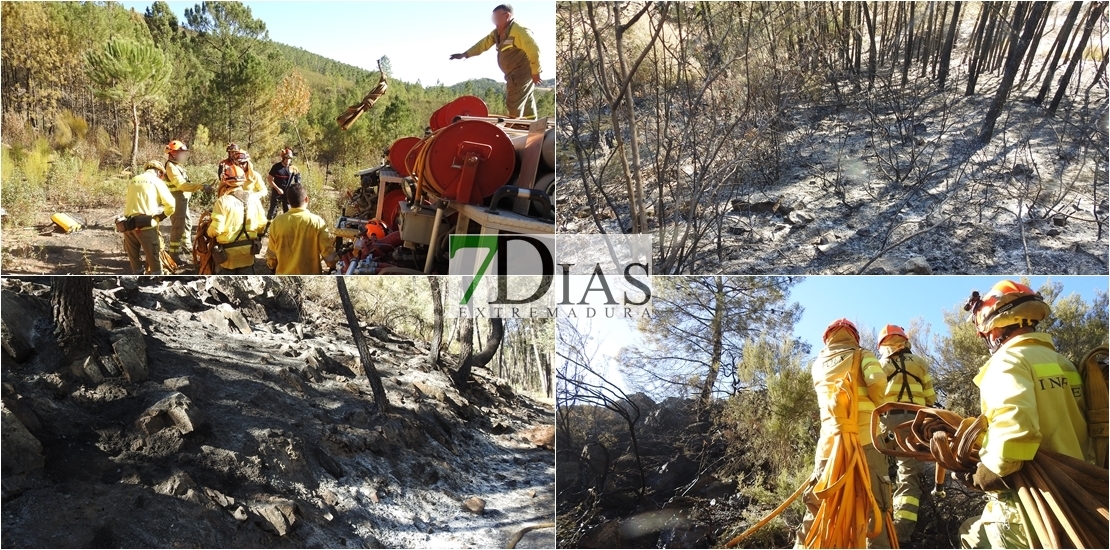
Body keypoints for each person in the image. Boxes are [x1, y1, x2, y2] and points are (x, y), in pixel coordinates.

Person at [958, 281, 1089, 549]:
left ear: (993, 327)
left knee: (971, 537)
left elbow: (1016, 432)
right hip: (1077, 500)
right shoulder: (1066, 365)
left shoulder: (1007, 362)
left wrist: (986, 474)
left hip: (1027, 508)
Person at [798, 318, 892, 549]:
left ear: (827, 338)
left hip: (829, 446)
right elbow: (877, 380)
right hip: (865, 441)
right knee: (874, 504)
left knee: (819, 506)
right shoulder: (862, 354)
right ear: (854, 337)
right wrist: (881, 409)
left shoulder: (818, 364)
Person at [875, 324, 936, 544]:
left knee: (876, 468)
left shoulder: (882, 364)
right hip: (914, 423)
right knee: (909, 477)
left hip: (887, 422)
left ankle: (875, 526)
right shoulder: (920, 363)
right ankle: (900, 534)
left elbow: (874, 394)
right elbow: (930, 398)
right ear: (905, 342)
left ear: (884, 345)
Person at [450, 4, 542, 119]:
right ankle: (532, 125)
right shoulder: (498, 32)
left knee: (514, 102)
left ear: (507, 15)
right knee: (526, 100)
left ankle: (516, 128)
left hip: (520, 74)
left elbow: (534, 50)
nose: (495, 22)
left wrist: (536, 72)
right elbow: (483, 44)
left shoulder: (519, 30)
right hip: (512, 74)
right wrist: (466, 54)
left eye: (497, 18)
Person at [206, 164, 267, 274]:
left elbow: (216, 230)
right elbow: (262, 224)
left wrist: (208, 232)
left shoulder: (222, 201)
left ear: (225, 180)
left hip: (227, 255)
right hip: (248, 253)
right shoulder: (254, 199)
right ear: (243, 180)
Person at [266, 182, 334, 275]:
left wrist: (272, 266)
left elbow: (271, 254)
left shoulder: (276, 222)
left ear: (288, 201)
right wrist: (333, 265)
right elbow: (327, 252)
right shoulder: (317, 222)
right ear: (306, 199)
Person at [122, 161, 176, 275]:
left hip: (128, 225)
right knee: (153, 257)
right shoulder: (157, 181)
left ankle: (137, 279)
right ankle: (157, 281)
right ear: (159, 172)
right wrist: (161, 216)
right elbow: (171, 205)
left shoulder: (134, 179)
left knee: (133, 258)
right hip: (146, 226)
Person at [163, 140, 203, 263]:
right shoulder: (171, 167)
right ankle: (174, 255)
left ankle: (187, 246)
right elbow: (182, 185)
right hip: (176, 200)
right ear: (173, 154)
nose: (184, 156)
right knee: (178, 226)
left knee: (187, 223)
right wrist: (201, 186)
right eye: (181, 153)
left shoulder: (177, 166)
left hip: (181, 200)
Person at [266, 147, 301, 221]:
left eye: (289, 158)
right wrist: (277, 189)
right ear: (283, 158)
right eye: (286, 158)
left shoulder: (293, 168)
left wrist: (295, 191)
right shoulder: (276, 167)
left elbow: (297, 182)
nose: (288, 160)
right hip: (277, 191)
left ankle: (287, 227)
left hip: (288, 193)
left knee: (288, 211)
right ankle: (268, 226)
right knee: (273, 210)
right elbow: (269, 179)